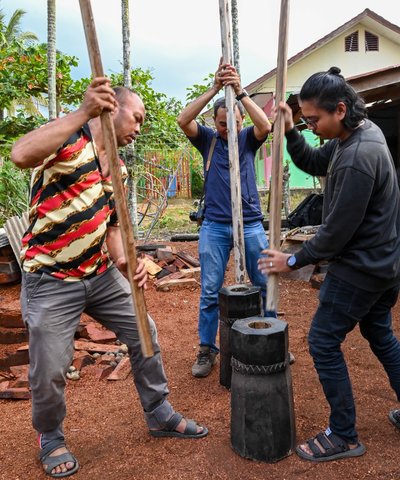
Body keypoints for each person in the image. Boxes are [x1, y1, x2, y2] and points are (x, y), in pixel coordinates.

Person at [11, 78, 207, 478]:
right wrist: (82, 111)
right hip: (50, 278)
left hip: (98, 274)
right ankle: (50, 435)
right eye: (136, 117)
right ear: (110, 108)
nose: (139, 127)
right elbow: (19, 154)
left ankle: (159, 411)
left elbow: (114, 228)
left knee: (144, 330)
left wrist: (124, 261)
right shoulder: (67, 141)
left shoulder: (116, 166)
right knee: (50, 365)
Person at [258, 67, 400, 463]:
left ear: (339, 109)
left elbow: (336, 233)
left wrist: (292, 259)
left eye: (314, 120)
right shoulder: (355, 133)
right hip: (386, 263)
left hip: (361, 267)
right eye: (305, 119)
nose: (312, 127)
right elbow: (313, 161)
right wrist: (289, 131)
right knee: (381, 335)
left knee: (323, 342)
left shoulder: (358, 156)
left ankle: (343, 434)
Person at [177, 61, 271, 378]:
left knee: (263, 284)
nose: (227, 128)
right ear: (214, 122)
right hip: (215, 226)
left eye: (232, 122)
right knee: (210, 290)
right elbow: (182, 119)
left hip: (251, 223)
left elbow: (266, 126)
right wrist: (216, 89)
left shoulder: (247, 139)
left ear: (241, 119)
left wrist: (241, 93)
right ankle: (207, 349)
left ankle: (270, 337)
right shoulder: (207, 139)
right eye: (221, 123)